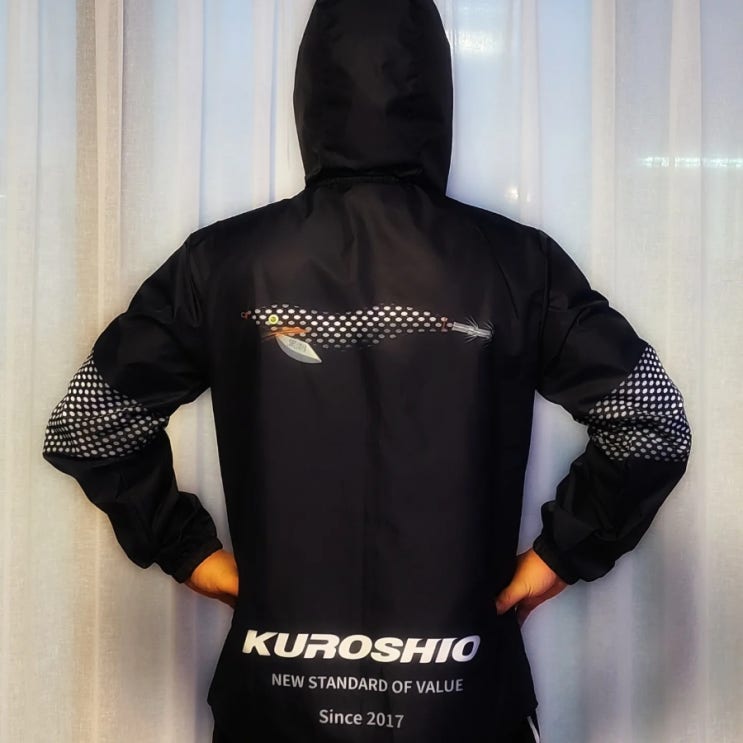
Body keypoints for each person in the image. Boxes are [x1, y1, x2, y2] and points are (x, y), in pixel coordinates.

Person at [42, 1, 692, 741]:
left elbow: (92, 424)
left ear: (310, 93)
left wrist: (192, 555)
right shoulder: (517, 264)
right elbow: (650, 421)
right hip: (459, 701)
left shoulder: (225, 262)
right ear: (436, 95)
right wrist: (556, 559)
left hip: (278, 703)